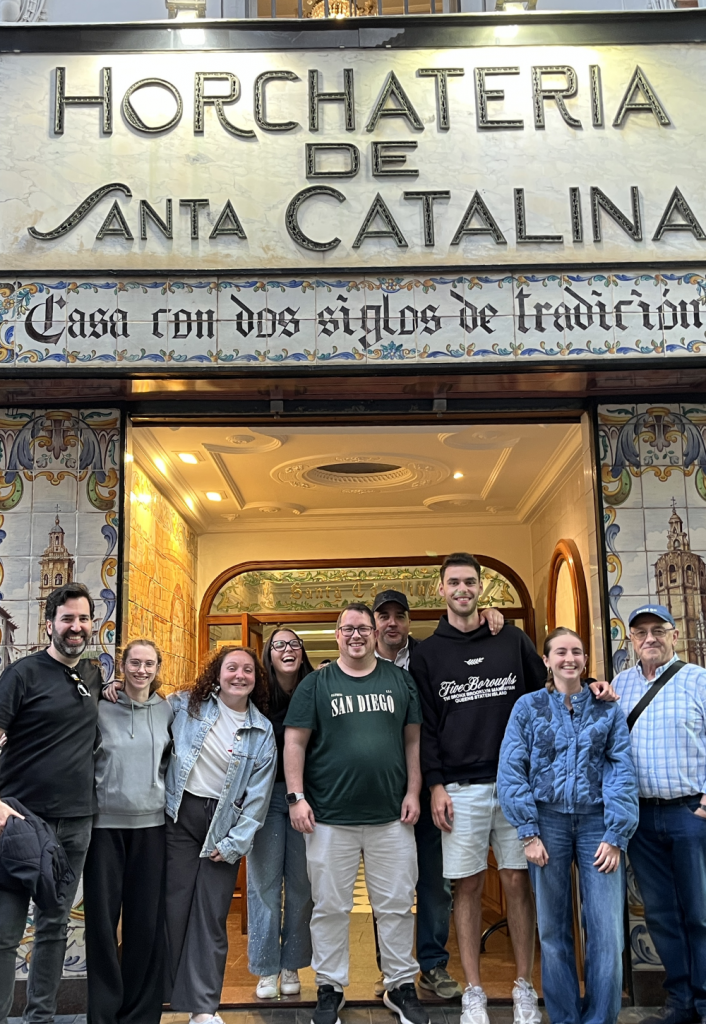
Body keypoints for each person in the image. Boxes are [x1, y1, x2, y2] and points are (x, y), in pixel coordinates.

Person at [410, 553, 615, 1024]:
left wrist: (593, 687)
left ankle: (524, 986)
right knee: (466, 886)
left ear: (480, 587)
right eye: (453, 582)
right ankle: (474, 992)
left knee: (518, 882)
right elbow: (426, 727)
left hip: (519, 788)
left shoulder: (511, 638)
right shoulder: (427, 653)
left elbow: (552, 683)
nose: (462, 589)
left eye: (469, 582)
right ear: (440, 590)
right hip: (460, 788)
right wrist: (436, 784)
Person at [284, 602, 429, 1024]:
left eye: (363, 628)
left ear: (375, 634)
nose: (356, 635)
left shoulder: (399, 680)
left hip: (391, 817)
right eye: (348, 628)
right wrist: (296, 797)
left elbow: (413, 741)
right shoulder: (316, 684)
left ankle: (400, 985)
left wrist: (414, 791)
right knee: (330, 907)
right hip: (329, 817)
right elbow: (294, 742)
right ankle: (330, 987)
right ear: (337, 635)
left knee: (397, 905)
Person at [497, 627, 638, 1024]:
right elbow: (512, 769)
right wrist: (528, 831)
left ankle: (600, 1018)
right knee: (553, 930)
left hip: (598, 824)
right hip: (547, 822)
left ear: (585, 660)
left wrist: (616, 834)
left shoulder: (607, 708)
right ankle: (564, 1018)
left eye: (576, 651)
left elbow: (622, 770)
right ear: (546, 660)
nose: (569, 659)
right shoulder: (528, 707)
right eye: (560, 652)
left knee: (606, 930)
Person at [372, 587, 499, 1001]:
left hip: (431, 784)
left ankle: (432, 965)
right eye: (384, 616)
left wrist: (489, 615)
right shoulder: (359, 664)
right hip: (382, 790)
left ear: (410, 621)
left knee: (435, 883)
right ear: (374, 623)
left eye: (399, 616)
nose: (392, 623)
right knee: (388, 886)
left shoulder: (431, 655)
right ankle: (391, 969)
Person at [0, 582, 102, 1024]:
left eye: (83, 619)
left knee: (54, 927)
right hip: (20, 822)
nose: (76, 627)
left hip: (76, 823)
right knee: (4, 934)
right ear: (49, 625)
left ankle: (40, 1018)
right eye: (67, 619)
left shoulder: (93, 675)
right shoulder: (22, 675)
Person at [165, 646, 276, 1024]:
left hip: (223, 828)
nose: (239, 675)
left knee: (210, 918)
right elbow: (146, 710)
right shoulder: (186, 705)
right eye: (232, 668)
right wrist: (115, 688)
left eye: (248, 670)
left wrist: (234, 844)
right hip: (179, 819)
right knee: (172, 909)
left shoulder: (262, 730)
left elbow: (258, 798)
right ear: (217, 673)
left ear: (256, 679)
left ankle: (203, 1009)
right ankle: (161, 997)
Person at [612, 604, 706, 1024]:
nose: (649, 638)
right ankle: (680, 1002)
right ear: (631, 640)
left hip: (690, 814)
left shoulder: (698, 680)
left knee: (700, 913)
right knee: (662, 914)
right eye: (640, 632)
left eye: (658, 630)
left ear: (674, 635)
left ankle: (704, 1002)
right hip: (643, 820)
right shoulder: (621, 684)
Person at [83, 639, 174, 1024]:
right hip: (104, 829)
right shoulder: (100, 707)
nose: (141, 670)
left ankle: (140, 1014)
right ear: (122, 666)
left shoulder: (167, 710)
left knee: (145, 923)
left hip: (151, 829)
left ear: (157, 668)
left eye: (149, 664)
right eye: (135, 663)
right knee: (102, 925)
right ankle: (103, 1014)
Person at [247, 628, 314, 999]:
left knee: (302, 886)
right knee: (264, 886)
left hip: (307, 799)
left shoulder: (316, 687)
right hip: (265, 798)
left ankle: (292, 964)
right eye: (279, 645)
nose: (287, 650)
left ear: (301, 652)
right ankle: (266, 968)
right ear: (268, 654)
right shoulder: (257, 694)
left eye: (294, 644)